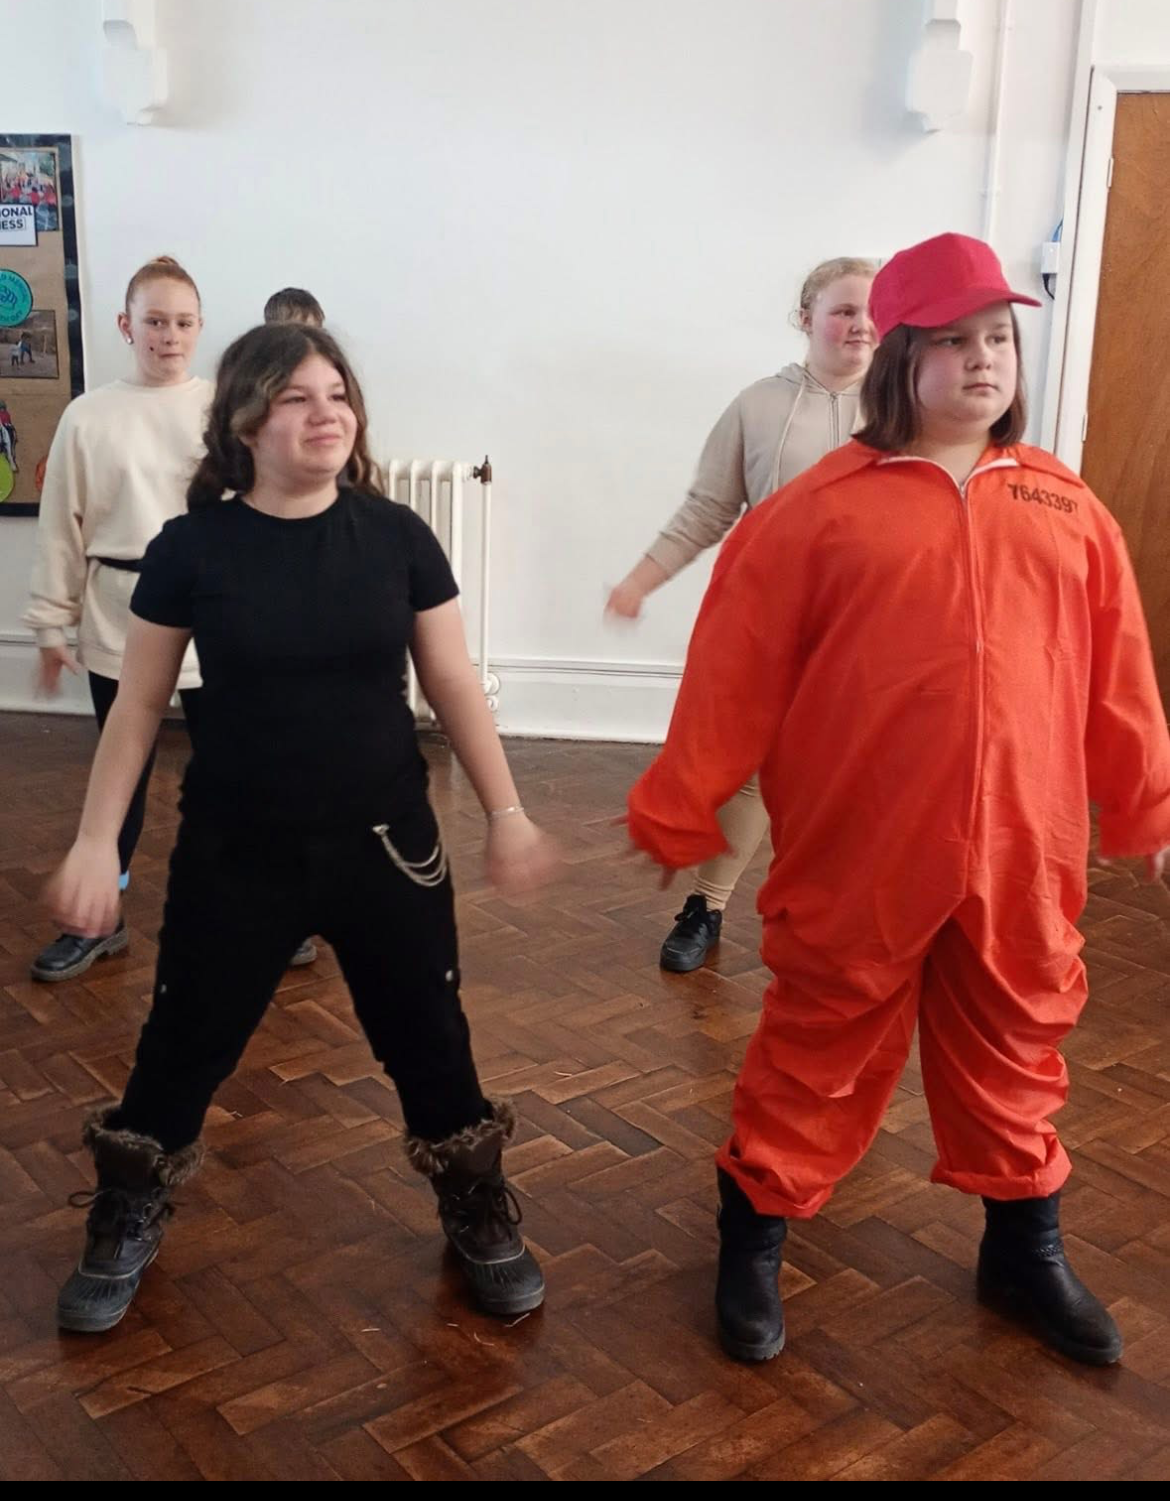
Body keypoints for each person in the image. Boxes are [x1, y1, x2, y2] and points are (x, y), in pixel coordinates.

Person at [626, 233, 1170, 1370]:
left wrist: (1149, 805)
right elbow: (733, 667)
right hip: (862, 840)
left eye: (999, 337)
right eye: (956, 339)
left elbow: (1118, 674)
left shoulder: (1067, 506)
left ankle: (1024, 1249)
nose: (985, 359)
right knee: (818, 1038)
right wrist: (684, 798)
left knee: (1018, 1037)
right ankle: (753, 1233)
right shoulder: (816, 511)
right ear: (901, 357)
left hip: (1023, 843)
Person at [44, 320, 558, 1334]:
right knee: (183, 1038)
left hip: (388, 847)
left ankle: (474, 1200)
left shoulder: (398, 536)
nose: (328, 413)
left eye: (338, 394)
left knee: (429, 1033)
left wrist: (507, 811)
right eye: (297, 397)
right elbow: (138, 705)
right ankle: (128, 1204)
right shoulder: (192, 548)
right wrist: (97, 840)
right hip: (238, 848)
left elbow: (452, 680)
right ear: (245, 421)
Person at [23, 257, 318, 979]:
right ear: (126, 325)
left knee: (237, 772)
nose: (169, 335)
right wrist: (52, 622)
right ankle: (99, 917)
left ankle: (265, 910)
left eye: (183, 322)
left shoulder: (228, 409)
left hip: (218, 620)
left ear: (200, 327)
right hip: (119, 617)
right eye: (155, 321)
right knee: (119, 777)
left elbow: (267, 509)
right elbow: (62, 525)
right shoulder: (87, 416)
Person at [607, 258, 876, 972]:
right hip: (771, 616)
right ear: (806, 318)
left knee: (851, 771)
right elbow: (708, 508)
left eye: (872, 311)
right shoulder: (758, 405)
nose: (861, 324)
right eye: (844, 310)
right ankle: (708, 905)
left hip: (868, 622)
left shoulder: (906, 408)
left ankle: (835, 915)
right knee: (754, 765)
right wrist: (641, 579)